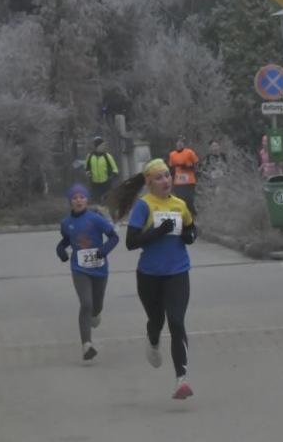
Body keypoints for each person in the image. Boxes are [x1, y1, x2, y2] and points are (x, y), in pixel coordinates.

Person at [109, 158, 198, 400]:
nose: (165, 181)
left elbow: (191, 229)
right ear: (149, 183)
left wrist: (189, 236)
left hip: (178, 272)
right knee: (157, 320)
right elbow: (131, 242)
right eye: (159, 178)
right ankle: (153, 338)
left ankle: (181, 379)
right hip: (150, 275)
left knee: (176, 322)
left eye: (167, 176)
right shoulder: (144, 206)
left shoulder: (180, 204)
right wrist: (158, 231)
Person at [56, 184, 119, 361]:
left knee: (95, 307)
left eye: (81, 197)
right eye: (74, 198)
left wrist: (104, 250)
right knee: (86, 303)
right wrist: (60, 250)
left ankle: (96, 313)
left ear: (87, 200)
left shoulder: (96, 219)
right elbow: (66, 240)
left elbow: (114, 237)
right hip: (79, 269)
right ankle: (86, 345)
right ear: (70, 202)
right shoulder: (66, 223)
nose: (78, 200)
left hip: (99, 268)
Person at [167, 136, 200, 219]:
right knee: (180, 201)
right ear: (175, 144)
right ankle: (183, 218)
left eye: (181, 142)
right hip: (178, 182)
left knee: (189, 200)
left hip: (189, 181)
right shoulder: (172, 154)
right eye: (178, 142)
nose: (179, 144)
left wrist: (187, 167)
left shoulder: (189, 152)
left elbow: (197, 164)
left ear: (184, 144)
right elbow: (171, 168)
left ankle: (194, 216)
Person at [84, 137, 119, 210]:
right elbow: (86, 168)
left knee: (107, 203)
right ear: (97, 146)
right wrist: (88, 174)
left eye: (104, 145)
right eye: (102, 145)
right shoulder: (90, 156)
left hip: (106, 183)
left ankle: (109, 215)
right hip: (95, 184)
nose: (104, 147)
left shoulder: (107, 156)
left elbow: (115, 169)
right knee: (97, 203)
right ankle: (98, 215)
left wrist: (111, 177)